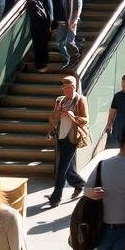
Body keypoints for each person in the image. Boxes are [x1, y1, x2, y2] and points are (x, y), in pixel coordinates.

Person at [84, 122, 125, 250]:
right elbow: (86, 190)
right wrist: (92, 193)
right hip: (102, 229)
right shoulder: (103, 165)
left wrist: (89, 192)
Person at [47, 75, 90, 208]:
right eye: (63, 87)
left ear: (73, 87)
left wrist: (72, 116)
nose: (64, 90)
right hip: (60, 137)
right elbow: (52, 119)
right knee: (68, 168)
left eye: (66, 88)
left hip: (72, 138)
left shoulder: (80, 100)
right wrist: (56, 114)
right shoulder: (60, 100)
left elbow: (86, 120)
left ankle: (56, 197)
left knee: (61, 169)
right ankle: (80, 184)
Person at [56, 0, 83, 70]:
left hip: (72, 20)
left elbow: (77, 8)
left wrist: (74, 20)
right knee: (60, 43)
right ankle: (69, 59)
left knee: (69, 41)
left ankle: (76, 55)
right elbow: (61, 7)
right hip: (63, 21)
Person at [27, 0, 54, 72]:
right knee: (41, 46)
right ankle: (41, 65)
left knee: (41, 46)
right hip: (40, 26)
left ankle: (41, 65)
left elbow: (50, 15)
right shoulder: (38, 0)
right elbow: (50, 16)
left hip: (39, 26)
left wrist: (50, 26)